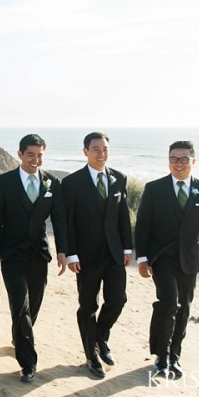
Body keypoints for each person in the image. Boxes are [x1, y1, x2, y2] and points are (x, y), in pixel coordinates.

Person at [136, 140, 199, 378]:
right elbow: (142, 226)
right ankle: (160, 356)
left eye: (183, 159)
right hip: (162, 258)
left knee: (184, 309)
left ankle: (174, 356)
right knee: (169, 301)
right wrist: (142, 257)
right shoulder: (154, 189)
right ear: (168, 160)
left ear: (193, 161)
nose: (178, 164)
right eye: (173, 158)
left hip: (190, 259)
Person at [0, 133, 68, 383]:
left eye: (40, 155)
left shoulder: (52, 183)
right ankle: (28, 362)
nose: (36, 160)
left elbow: (59, 220)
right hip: (11, 254)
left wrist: (63, 250)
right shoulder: (5, 181)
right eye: (31, 154)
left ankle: (19, 336)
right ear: (20, 154)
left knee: (33, 306)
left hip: (39, 254)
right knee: (20, 306)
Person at [62, 132, 132, 378]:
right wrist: (71, 254)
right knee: (88, 305)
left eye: (104, 149)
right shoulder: (72, 183)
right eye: (95, 150)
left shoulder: (119, 179)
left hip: (114, 254)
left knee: (117, 300)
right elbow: (68, 223)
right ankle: (91, 356)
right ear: (85, 152)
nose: (101, 154)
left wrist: (127, 248)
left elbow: (123, 216)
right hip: (86, 256)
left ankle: (100, 338)